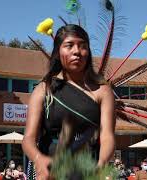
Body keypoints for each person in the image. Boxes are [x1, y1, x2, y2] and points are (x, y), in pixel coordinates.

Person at [22, 24, 115, 180]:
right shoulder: (44, 89)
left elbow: (107, 136)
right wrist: (39, 159)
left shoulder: (103, 92)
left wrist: (102, 164)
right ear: (58, 51)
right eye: (69, 45)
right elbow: (28, 139)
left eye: (83, 46)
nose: (77, 51)